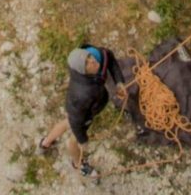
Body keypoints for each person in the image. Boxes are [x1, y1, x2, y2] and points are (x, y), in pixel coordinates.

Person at [38, 45, 125, 178]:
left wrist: (119, 83)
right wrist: (82, 140)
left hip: (77, 110)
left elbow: (110, 59)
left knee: (67, 122)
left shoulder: (97, 56)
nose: (92, 61)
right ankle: (78, 164)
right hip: (82, 114)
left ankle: (45, 143)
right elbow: (75, 120)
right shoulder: (82, 94)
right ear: (83, 70)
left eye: (89, 57)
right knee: (73, 141)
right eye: (87, 63)